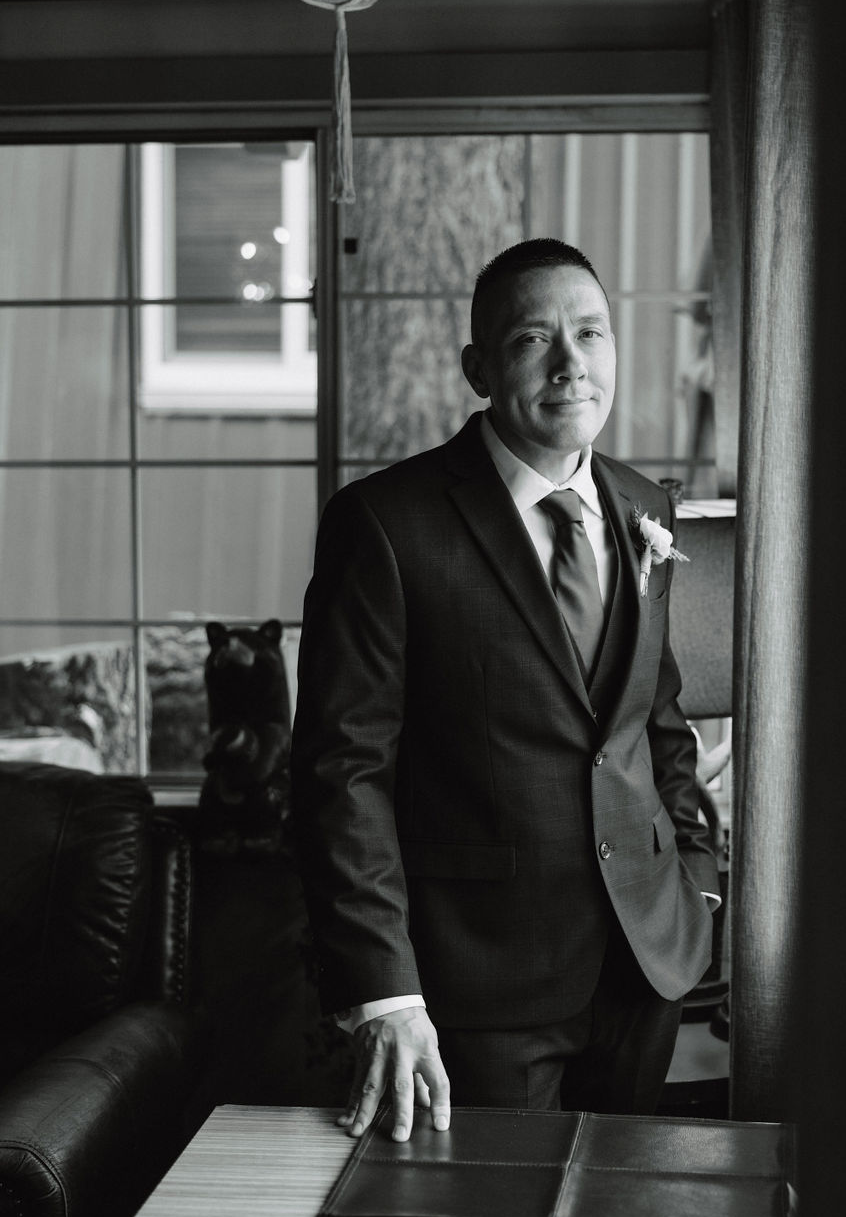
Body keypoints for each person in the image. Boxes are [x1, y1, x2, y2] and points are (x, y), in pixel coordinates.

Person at [291, 238, 719, 1144]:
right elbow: (342, 771)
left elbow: (657, 721)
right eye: (534, 340)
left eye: (591, 333)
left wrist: (699, 883)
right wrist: (386, 991)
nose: (572, 363)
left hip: (645, 965)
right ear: (478, 367)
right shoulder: (386, 525)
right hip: (475, 990)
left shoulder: (649, 507)